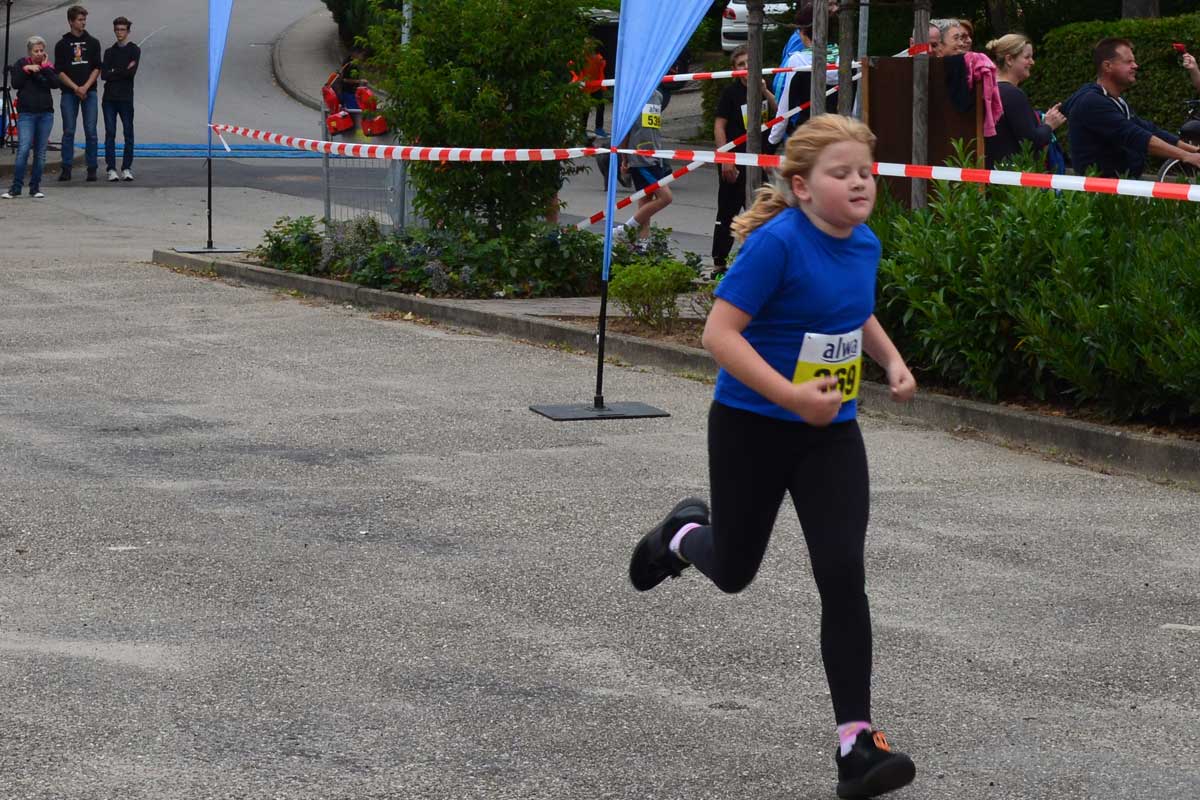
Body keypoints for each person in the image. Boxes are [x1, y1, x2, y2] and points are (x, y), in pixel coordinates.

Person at [628, 114, 917, 800]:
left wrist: (891, 360)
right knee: (733, 571)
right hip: (751, 427)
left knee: (842, 573)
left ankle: (856, 744)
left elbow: (855, 311)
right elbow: (719, 334)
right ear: (803, 186)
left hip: (830, 433)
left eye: (866, 172)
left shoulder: (864, 242)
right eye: (841, 173)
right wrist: (790, 395)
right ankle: (681, 533)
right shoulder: (777, 245)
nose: (859, 183)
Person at [1062, 37, 1200, 178]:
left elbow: (1148, 129)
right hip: (1101, 188)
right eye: (1128, 62)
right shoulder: (1092, 103)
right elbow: (1135, 136)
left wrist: (1193, 151)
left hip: (1120, 184)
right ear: (1107, 66)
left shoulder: (1116, 101)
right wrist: (1186, 156)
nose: (1135, 66)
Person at [712, 45, 777, 272]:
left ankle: (760, 261)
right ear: (735, 69)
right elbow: (719, 126)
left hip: (759, 160)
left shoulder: (764, 88)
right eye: (741, 64)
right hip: (735, 160)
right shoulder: (730, 94)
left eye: (750, 63)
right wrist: (725, 159)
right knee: (728, 212)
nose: (747, 68)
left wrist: (765, 91)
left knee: (763, 211)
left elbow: (779, 114)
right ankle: (719, 263)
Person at [984, 34, 1065, 168]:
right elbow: (1030, 142)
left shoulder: (988, 90)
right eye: (1027, 57)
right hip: (1012, 173)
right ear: (1009, 60)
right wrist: (1049, 125)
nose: (1032, 62)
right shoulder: (1012, 94)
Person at [768, 4, 840, 150]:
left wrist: (773, 140)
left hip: (807, 134)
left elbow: (786, 104)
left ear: (802, 31)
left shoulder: (798, 60)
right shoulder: (846, 59)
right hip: (838, 132)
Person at [3, 37, 60, 199]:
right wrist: (27, 69)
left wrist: (45, 68)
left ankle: (35, 187)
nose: (39, 53)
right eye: (36, 51)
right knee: (23, 149)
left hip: (45, 114)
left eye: (41, 51)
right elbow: (16, 83)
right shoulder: (21, 63)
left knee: (40, 152)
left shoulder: (47, 66)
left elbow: (56, 83)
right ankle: (16, 188)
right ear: (30, 52)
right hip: (27, 114)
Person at [54, 5, 102, 182]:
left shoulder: (93, 42)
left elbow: (97, 67)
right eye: (80, 20)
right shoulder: (62, 45)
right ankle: (66, 168)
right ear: (71, 21)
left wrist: (85, 87)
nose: (83, 23)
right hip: (69, 92)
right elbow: (59, 71)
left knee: (91, 131)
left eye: (84, 19)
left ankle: (92, 168)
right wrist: (75, 88)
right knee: (69, 131)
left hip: (89, 92)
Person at [618, 88, 672, 245]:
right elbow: (625, 131)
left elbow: (653, 128)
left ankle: (642, 244)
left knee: (646, 201)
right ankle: (625, 229)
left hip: (655, 155)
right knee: (666, 197)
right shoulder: (633, 97)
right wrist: (625, 158)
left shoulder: (658, 96)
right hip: (641, 159)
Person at [101, 16, 139, 182]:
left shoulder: (134, 50)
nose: (119, 32)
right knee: (110, 133)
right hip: (109, 98)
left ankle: (126, 167)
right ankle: (111, 168)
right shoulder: (109, 52)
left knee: (128, 132)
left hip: (126, 98)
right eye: (117, 29)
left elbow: (131, 73)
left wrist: (114, 71)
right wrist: (122, 70)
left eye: (122, 29)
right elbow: (104, 75)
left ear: (128, 31)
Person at [335, 46, 367, 111]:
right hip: (349, 93)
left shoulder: (347, 61)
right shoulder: (352, 65)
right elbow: (345, 79)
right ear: (355, 54)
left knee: (349, 111)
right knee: (354, 112)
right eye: (361, 55)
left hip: (345, 91)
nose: (362, 57)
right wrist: (360, 81)